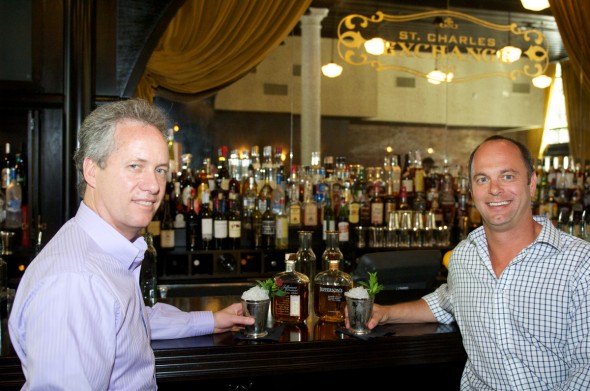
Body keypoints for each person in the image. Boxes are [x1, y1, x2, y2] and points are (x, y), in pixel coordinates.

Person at [8, 99, 254, 390]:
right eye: (135, 166)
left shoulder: (103, 252)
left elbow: (128, 320)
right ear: (91, 171)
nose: (153, 185)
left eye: (160, 169)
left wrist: (211, 320)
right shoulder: (75, 282)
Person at [353, 135, 590, 389]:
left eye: (507, 176)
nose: (494, 189)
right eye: (482, 179)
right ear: (471, 190)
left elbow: (585, 370)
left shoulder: (580, 263)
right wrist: (385, 313)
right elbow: (445, 302)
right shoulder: (464, 256)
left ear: (532, 184)